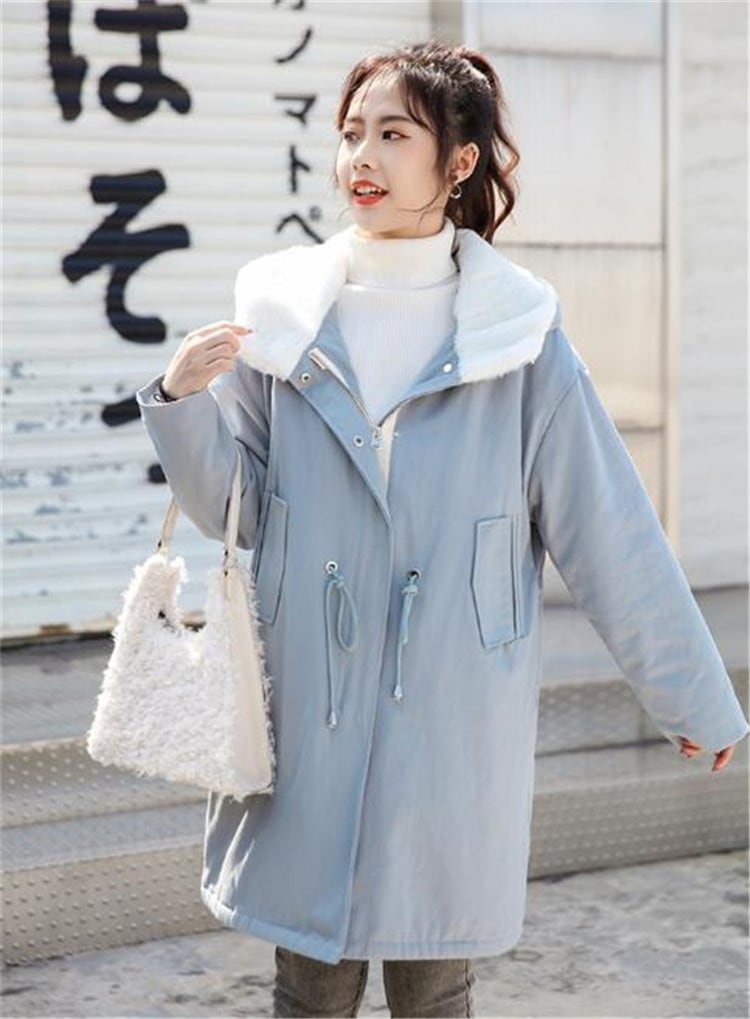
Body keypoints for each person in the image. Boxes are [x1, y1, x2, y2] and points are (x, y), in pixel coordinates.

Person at [136, 39, 750, 1019]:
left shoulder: (518, 338)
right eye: (351, 134)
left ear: (458, 161)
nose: (361, 158)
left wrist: (695, 696)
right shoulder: (280, 322)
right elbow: (229, 508)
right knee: (311, 984)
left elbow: (609, 530)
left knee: (434, 987)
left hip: (453, 711)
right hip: (309, 698)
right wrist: (178, 400)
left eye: (393, 134)